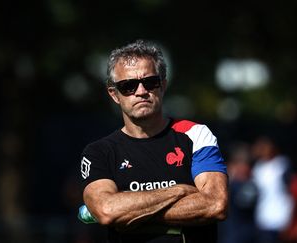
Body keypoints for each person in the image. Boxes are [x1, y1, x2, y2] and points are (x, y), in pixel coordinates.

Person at [78, 39, 228, 243]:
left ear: (163, 85)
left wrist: (130, 214)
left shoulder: (197, 135)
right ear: (114, 94)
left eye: (150, 82)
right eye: (128, 86)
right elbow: (107, 210)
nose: (141, 91)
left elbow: (215, 205)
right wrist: (180, 191)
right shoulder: (99, 152)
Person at [251, 135, 294, 243]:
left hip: (281, 218)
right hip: (263, 218)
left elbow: (292, 190)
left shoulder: (282, 164)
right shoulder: (257, 167)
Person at [218, 142, 258, 243]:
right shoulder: (227, 184)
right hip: (228, 234)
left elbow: (245, 201)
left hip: (245, 235)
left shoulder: (249, 186)